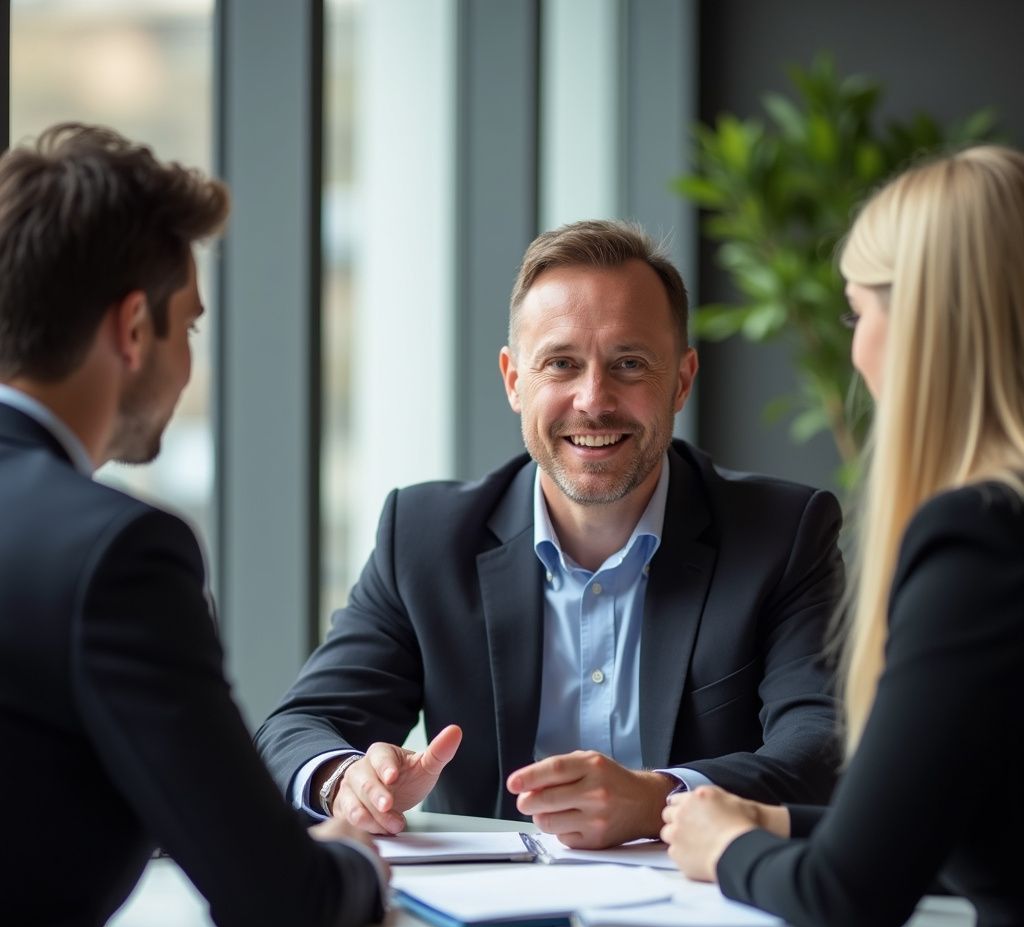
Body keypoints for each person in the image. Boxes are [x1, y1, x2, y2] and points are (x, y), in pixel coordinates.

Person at [257, 219, 845, 851]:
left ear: (680, 380)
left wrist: (660, 800)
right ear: (515, 380)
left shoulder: (782, 534)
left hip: (704, 914)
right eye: (561, 364)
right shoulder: (425, 537)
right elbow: (300, 726)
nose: (593, 400)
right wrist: (348, 782)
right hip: (486, 917)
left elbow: (821, 748)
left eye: (629, 364)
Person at [0, 123, 384, 927]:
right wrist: (362, 855)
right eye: (192, 327)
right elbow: (280, 909)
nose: (187, 366)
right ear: (134, 327)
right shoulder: (116, 555)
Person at [661, 146, 1024, 927]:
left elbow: (850, 898)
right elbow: (978, 829)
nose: (855, 348)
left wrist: (724, 851)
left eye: (859, 311)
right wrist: (774, 826)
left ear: (928, 324)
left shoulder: (980, 544)